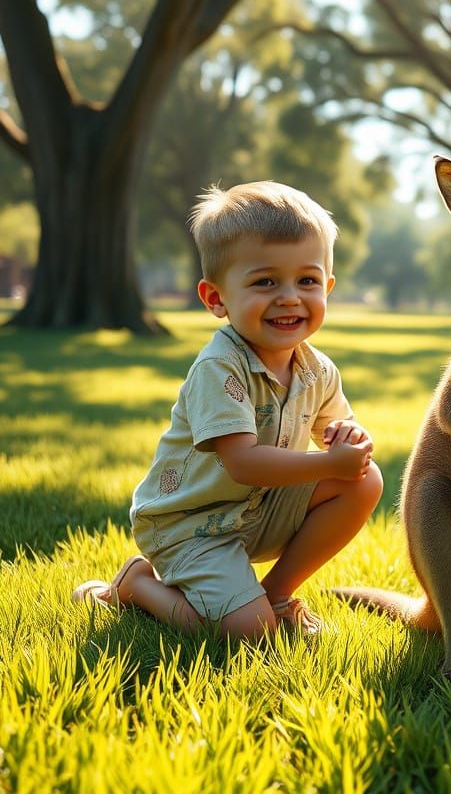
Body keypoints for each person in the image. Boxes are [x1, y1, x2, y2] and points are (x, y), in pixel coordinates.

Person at [73, 181, 383, 639]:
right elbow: (243, 463)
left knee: (364, 479)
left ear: (328, 287)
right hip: (191, 525)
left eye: (307, 281)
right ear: (216, 298)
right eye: (265, 282)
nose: (289, 297)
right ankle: (137, 585)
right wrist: (328, 463)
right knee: (250, 633)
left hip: (254, 512)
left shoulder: (317, 369)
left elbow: (336, 426)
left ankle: (277, 595)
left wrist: (348, 438)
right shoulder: (220, 367)